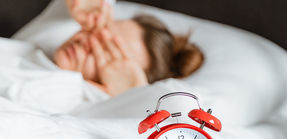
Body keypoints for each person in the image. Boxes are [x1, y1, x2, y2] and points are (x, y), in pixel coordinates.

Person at [54, 0, 204, 96]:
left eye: (107, 52)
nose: (88, 43)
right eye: (100, 31)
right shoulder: (55, 28)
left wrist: (131, 95)